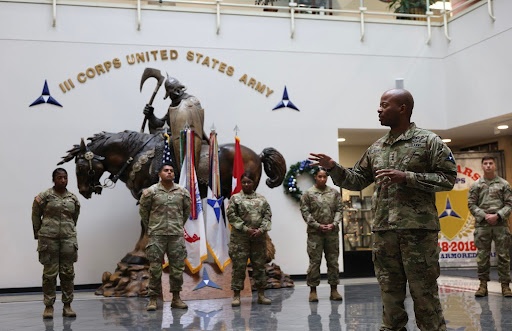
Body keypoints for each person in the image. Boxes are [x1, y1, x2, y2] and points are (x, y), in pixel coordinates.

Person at [309, 88, 457, 331]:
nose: (379, 109)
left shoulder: (429, 141)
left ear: (403, 108)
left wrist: (406, 177)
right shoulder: (377, 148)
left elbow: (448, 178)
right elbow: (356, 180)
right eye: (379, 105)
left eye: (384, 105)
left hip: (417, 233)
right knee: (389, 294)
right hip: (384, 232)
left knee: (424, 295)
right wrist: (334, 167)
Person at [139, 162, 191, 311]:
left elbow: (186, 212)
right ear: (159, 174)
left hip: (175, 235)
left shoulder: (182, 192)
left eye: (171, 170)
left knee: (177, 269)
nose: (169, 172)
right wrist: (153, 227)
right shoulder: (151, 192)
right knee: (155, 269)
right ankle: (153, 299)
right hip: (157, 236)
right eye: (165, 170)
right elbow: (144, 212)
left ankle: (176, 298)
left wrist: (178, 225)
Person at [32, 168, 81, 319]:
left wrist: (68, 230)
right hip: (49, 239)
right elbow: (35, 214)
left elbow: (75, 217)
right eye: (59, 178)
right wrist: (38, 233)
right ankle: (48, 306)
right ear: (54, 179)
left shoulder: (73, 198)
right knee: (49, 274)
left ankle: (67, 305)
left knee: (67, 273)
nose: (63, 180)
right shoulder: (45, 196)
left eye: (65, 177)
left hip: (67, 239)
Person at [468, 155, 512, 297]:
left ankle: (505, 286)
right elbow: (471, 204)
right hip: (483, 225)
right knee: (482, 257)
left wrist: (498, 215)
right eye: (485, 163)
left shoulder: (504, 184)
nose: (488, 165)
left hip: (501, 224)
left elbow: (509, 204)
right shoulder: (476, 185)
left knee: (504, 256)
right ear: (482, 166)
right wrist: (484, 215)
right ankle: (482, 286)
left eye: (490, 163)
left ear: (495, 166)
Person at [143, 75, 207, 172]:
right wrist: (151, 115)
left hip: (189, 136)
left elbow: (195, 122)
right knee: (157, 140)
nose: (170, 97)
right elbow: (162, 123)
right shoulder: (173, 104)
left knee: (161, 147)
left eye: (170, 94)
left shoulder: (191, 101)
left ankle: (159, 174)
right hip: (176, 135)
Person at [227, 171, 272, 307]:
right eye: (244, 182)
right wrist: (246, 229)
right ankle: (236, 296)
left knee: (259, 266)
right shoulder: (235, 198)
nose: (246, 184)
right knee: (239, 267)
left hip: (258, 239)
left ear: (254, 183)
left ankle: (261, 295)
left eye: (249, 182)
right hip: (240, 239)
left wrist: (261, 230)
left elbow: (267, 216)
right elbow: (231, 216)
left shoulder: (262, 199)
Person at [300, 167, 344, 302]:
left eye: (325, 177)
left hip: (332, 233)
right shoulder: (308, 194)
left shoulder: (334, 193)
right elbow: (305, 212)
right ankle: (313, 291)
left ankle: (334, 290)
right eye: (320, 176)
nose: (322, 179)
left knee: (333, 262)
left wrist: (334, 224)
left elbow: (339, 210)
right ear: (315, 177)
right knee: (314, 262)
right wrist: (317, 225)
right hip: (315, 234)